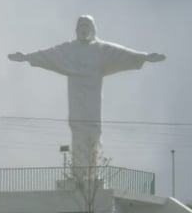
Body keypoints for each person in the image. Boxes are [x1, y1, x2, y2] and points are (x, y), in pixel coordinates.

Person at [9, 16, 165, 171]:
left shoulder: (101, 49)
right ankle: (78, 172)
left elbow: (121, 54)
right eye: (81, 26)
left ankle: (93, 171)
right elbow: (49, 55)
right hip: (76, 97)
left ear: (93, 29)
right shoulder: (69, 49)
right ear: (76, 29)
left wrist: (144, 57)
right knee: (77, 129)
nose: (84, 30)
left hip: (93, 99)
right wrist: (27, 57)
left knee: (94, 131)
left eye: (87, 26)